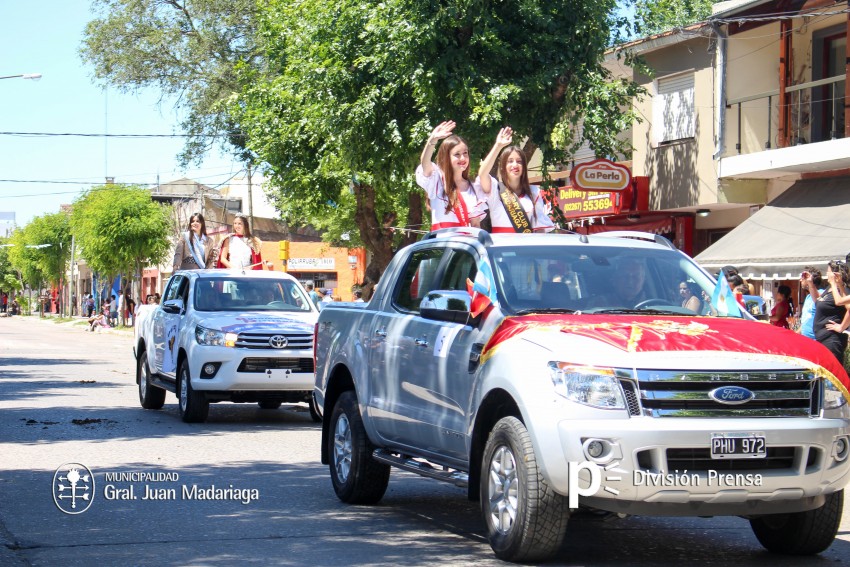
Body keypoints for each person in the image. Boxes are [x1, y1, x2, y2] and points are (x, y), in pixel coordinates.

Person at [477, 127, 554, 233]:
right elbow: (482, 174)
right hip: (502, 245)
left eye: (519, 161)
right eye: (510, 161)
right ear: (503, 166)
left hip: (525, 247)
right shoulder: (495, 189)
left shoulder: (534, 192)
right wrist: (498, 146)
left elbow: (539, 229)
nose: (515, 165)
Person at [415, 120, 487, 231]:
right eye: (457, 154)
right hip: (442, 244)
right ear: (446, 157)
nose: (462, 158)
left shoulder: (474, 188)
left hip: (465, 245)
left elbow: (476, 226)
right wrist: (432, 139)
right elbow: (425, 163)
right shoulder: (437, 181)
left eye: (465, 153)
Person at [814, 260, 850, 363]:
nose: (827, 274)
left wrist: (841, 327)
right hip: (822, 337)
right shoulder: (834, 288)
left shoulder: (843, 289)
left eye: (828, 271)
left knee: (833, 372)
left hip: (832, 339)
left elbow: (840, 302)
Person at [798, 267, 823, 339]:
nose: (800, 280)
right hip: (806, 339)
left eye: (803, 277)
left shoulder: (821, 294)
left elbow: (818, 300)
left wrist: (810, 283)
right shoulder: (808, 297)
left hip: (816, 339)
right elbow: (806, 321)